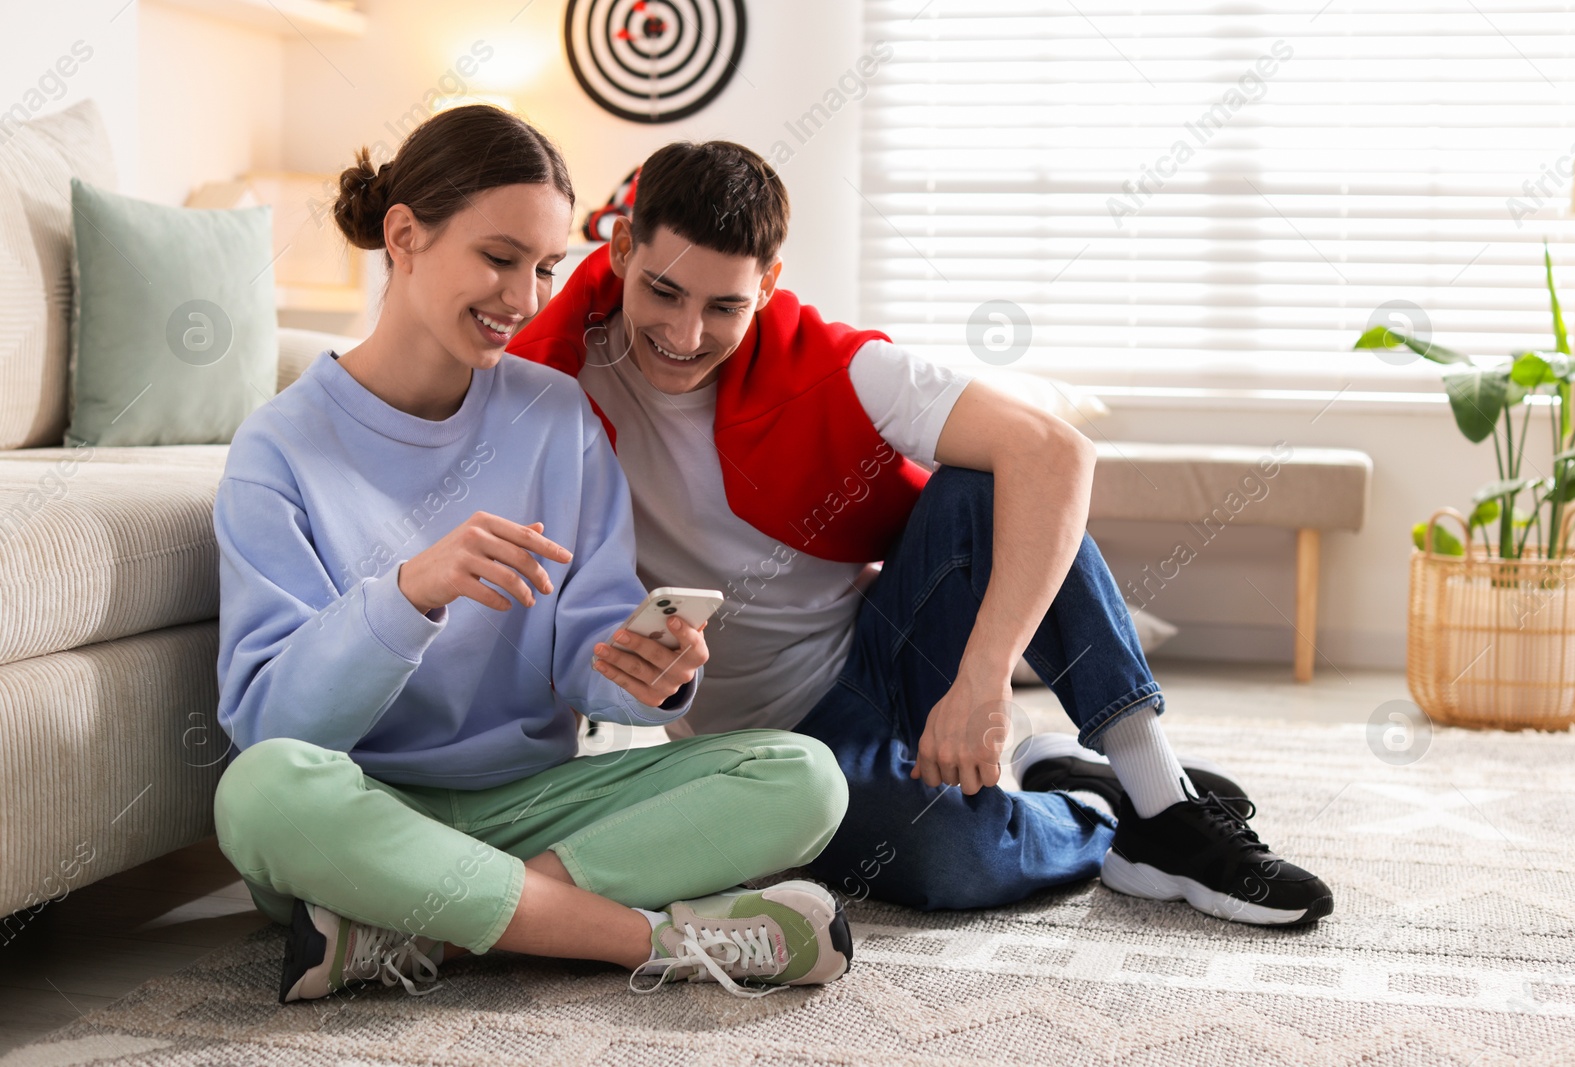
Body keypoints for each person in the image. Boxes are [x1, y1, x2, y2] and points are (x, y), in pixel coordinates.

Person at [507, 140, 1333, 927]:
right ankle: (1088, 803)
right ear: (620, 249)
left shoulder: (831, 364)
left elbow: (1058, 451)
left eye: (725, 305)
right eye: (664, 292)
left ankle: (1164, 804)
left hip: (892, 649)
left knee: (990, 484)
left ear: (769, 285)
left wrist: (982, 681)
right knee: (947, 860)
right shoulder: (543, 380)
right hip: (781, 737)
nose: (686, 337)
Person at [209, 108, 854, 1005]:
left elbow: (585, 648)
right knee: (260, 792)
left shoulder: (554, 415)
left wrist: (645, 671)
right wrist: (410, 593)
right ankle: (656, 939)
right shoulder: (279, 448)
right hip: (368, 810)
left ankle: (419, 930)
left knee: (804, 777)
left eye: (547, 268)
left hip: (536, 801)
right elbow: (276, 728)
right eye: (500, 258)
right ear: (405, 235)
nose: (525, 298)